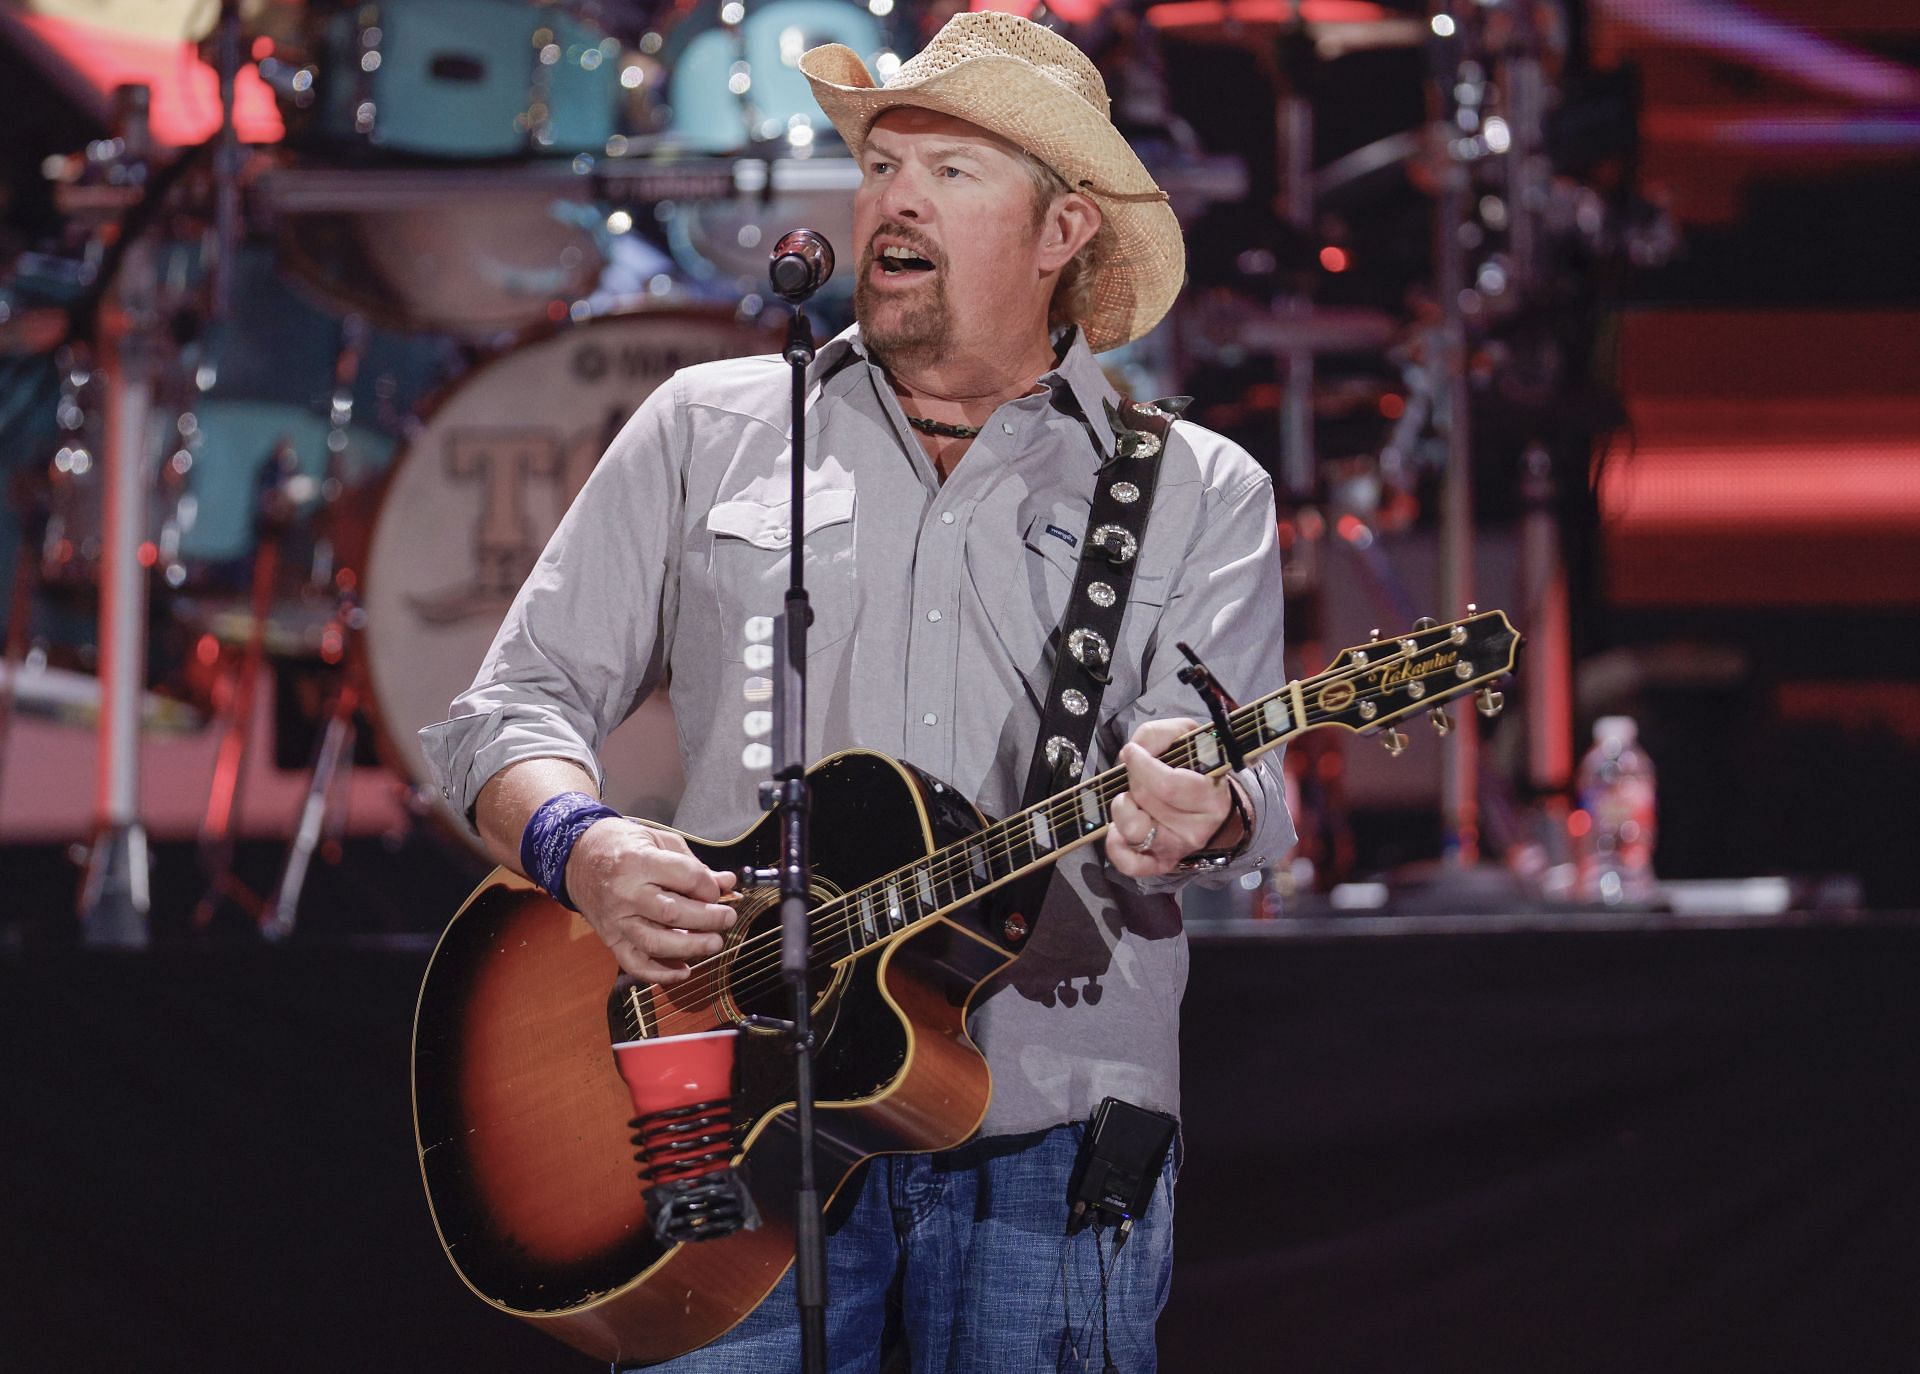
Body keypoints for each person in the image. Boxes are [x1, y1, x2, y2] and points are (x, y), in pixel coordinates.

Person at [420, 12, 1293, 1371]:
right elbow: (502, 713)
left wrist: (1208, 809)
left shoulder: (1194, 490)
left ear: (1063, 230)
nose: (893, 194)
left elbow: (1254, 796)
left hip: (1046, 1139)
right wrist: (578, 851)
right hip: (734, 1120)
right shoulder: (714, 425)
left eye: (950, 170)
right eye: (883, 161)